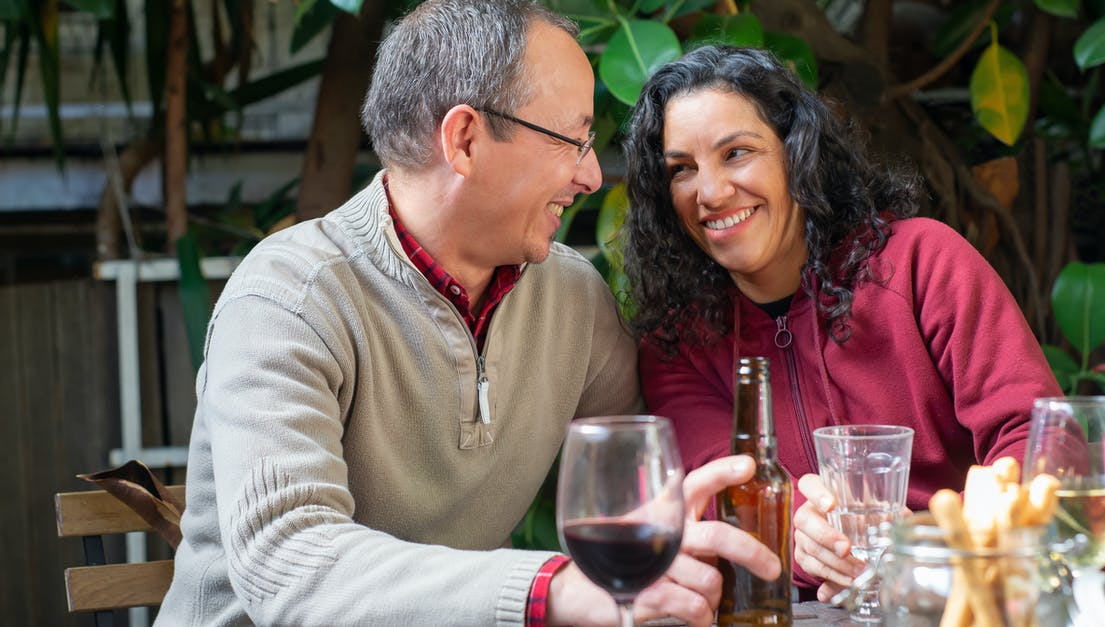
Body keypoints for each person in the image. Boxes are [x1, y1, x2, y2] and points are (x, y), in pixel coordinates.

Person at [156, 5, 778, 626]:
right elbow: (289, 561)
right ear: (466, 140)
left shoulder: (571, 297)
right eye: (573, 139)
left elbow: (646, 473)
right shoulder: (289, 297)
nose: (591, 175)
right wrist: (552, 590)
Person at [620, 45, 1105, 603]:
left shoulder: (923, 263)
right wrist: (800, 533)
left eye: (737, 153)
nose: (711, 192)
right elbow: (726, 485)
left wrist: (922, 550)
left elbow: (1041, 444)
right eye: (682, 170)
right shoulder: (679, 338)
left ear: (797, 154)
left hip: (1015, 596)